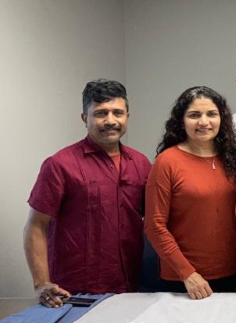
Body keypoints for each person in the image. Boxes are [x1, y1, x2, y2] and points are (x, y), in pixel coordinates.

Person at [24, 80, 151, 307]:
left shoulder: (140, 163)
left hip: (131, 288)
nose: (110, 120)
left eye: (118, 113)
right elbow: (36, 225)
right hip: (73, 293)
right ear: (85, 118)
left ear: (127, 117)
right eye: (101, 113)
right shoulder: (60, 165)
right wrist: (41, 283)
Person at [145, 86, 236, 300]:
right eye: (194, 115)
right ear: (181, 121)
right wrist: (187, 274)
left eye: (211, 114)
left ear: (222, 119)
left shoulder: (232, 160)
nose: (204, 122)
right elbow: (155, 226)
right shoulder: (167, 162)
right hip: (186, 281)